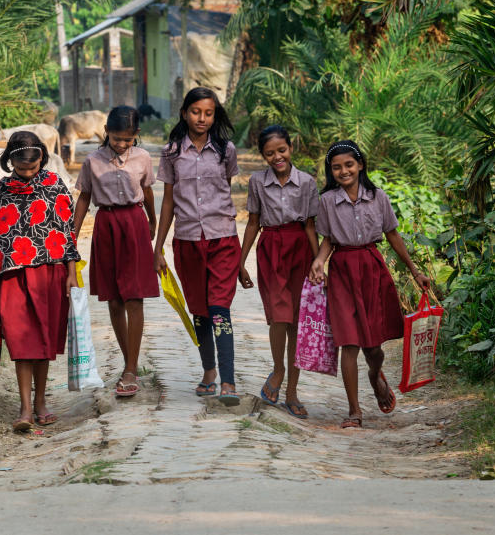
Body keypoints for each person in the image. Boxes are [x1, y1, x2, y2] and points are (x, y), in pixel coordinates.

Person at [0, 131, 80, 432]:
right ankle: (25, 408)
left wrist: (72, 273)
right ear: (10, 161)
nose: (27, 175)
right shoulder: (2, 188)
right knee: (20, 340)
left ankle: (41, 402)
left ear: (42, 156)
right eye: (21, 169)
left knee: (43, 339)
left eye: (33, 168)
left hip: (50, 274)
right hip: (13, 276)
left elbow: (67, 231)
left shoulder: (55, 185)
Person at [308, 140, 430, 429]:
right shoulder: (326, 201)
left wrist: (415, 271)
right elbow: (327, 240)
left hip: (372, 269)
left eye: (349, 164)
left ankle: (375, 376)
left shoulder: (378, 197)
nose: (343, 171)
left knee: (373, 348)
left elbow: (393, 235)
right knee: (348, 343)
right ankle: (354, 411)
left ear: (360, 165)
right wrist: (319, 262)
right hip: (342, 272)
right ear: (330, 172)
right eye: (336, 167)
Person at [153, 87, 242, 405]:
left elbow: (226, 193)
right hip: (188, 242)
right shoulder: (171, 152)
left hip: (223, 240)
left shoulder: (225, 150)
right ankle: (208, 371)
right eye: (195, 112)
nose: (202, 118)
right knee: (200, 311)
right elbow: (168, 202)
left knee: (220, 309)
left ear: (215, 115)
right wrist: (158, 247)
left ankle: (228, 381)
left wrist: (240, 259)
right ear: (184, 113)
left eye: (208, 113)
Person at [73, 106, 159, 397]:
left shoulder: (143, 158)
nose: (122, 145)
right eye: (116, 138)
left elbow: (147, 191)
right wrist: (71, 236)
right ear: (106, 131)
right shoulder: (92, 161)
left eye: (128, 139)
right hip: (106, 226)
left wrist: (152, 221)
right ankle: (128, 362)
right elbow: (84, 197)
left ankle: (131, 368)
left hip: (134, 224)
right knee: (114, 300)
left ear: (136, 136)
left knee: (135, 297)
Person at [238, 125, 319, 418]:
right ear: (263, 156)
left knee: (297, 320)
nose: (277, 157)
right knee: (278, 316)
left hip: (300, 249)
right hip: (271, 248)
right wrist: (241, 260)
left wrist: (318, 262)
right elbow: (252, 222)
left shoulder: (307, 182)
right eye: (270, 153)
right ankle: (278, 369)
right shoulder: (257, 182)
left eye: (281, 150)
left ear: (291, 148)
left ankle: (292, 392)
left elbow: (310, 226)